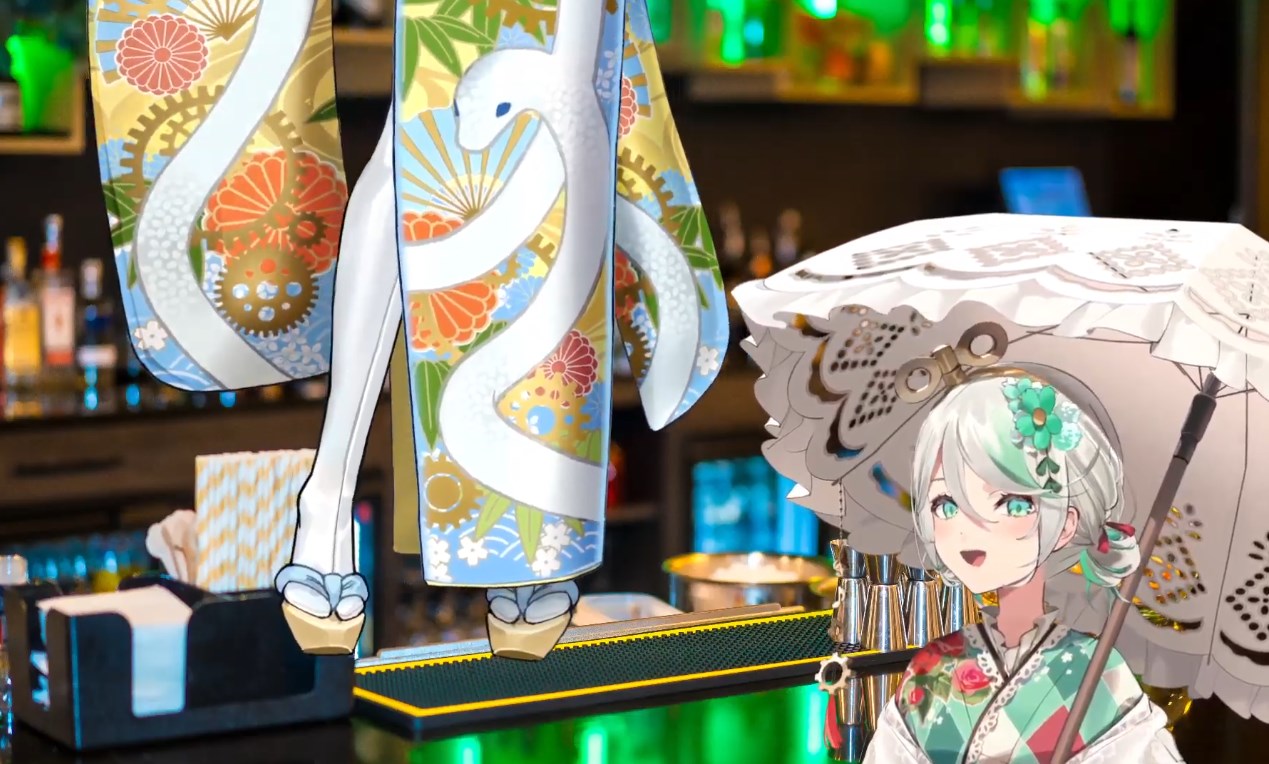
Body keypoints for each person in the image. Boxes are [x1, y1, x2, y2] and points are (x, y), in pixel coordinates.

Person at [863, 365, 1184, 763]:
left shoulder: (1098, 674)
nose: (968, 531)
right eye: (946, 505)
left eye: (1011, 504)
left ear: (1066, 523)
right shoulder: (933, 669)